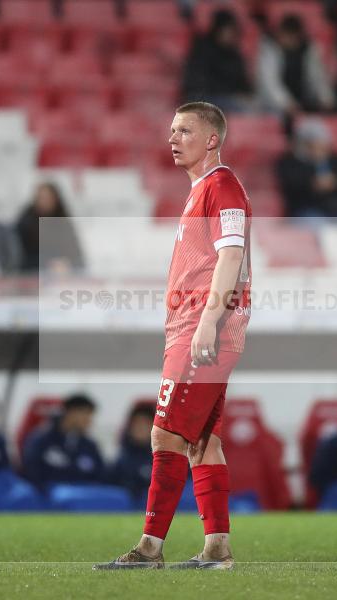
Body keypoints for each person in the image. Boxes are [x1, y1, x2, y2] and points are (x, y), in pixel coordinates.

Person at [95, 102, 252, 570]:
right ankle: (217, 548)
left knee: (165, 434)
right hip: (196, 327)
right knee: (205, 440)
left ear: (211, 139)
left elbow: (231, 257)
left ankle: (149, 548)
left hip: (205, 328)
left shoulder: (222, 185)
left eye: (184, 129)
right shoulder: (202, 189)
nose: (173, 137)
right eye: (170, 130)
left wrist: (208, 320)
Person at [255, 14, 335, 115]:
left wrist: (326, 98)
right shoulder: (270, 50)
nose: (289, 40)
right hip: (272, 106)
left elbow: (318, 78)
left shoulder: (309, 50)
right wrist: (287, 104)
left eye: (293, 37)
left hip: (303, 103)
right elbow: (270, 83)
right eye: (286, 35)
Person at [21, 393, 105, 490]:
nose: (89, 421)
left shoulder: (90, 446)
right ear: (71, 412)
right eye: (86, 415)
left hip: (82, 496)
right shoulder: (42, 439)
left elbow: (101, 475)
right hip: (50, 496)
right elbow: (32, 471)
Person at [276, 118, 337, 219]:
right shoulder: (290, 162)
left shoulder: (336, 161)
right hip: (305, 210)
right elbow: (291, 186)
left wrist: (335, 182)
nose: (318, 148)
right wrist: (313, 183)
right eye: (312, 144)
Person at [181, 9, 253, 112]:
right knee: (241, 109)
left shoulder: (234, 53)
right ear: (218, 29)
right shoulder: (202, 49)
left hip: (228, 99)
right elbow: (198, 83)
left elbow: (243, 83)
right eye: (228, 30)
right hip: (205, 98)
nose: (231, 35)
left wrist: (245, 94)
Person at [15, 182, 84, 271]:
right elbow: (18, 259)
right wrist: (47, 263)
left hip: (60, 278)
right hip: (32, 276)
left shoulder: (64, 223)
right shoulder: (24, 224)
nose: (44, 202)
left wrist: (67, 263)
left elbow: (77, 256)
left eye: (48, 198)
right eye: (41, 198)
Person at [110, 403, 158, 505]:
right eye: (137, 423)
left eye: (146, 423)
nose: (141, 428)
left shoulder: (164, 457)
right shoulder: (122, 459)